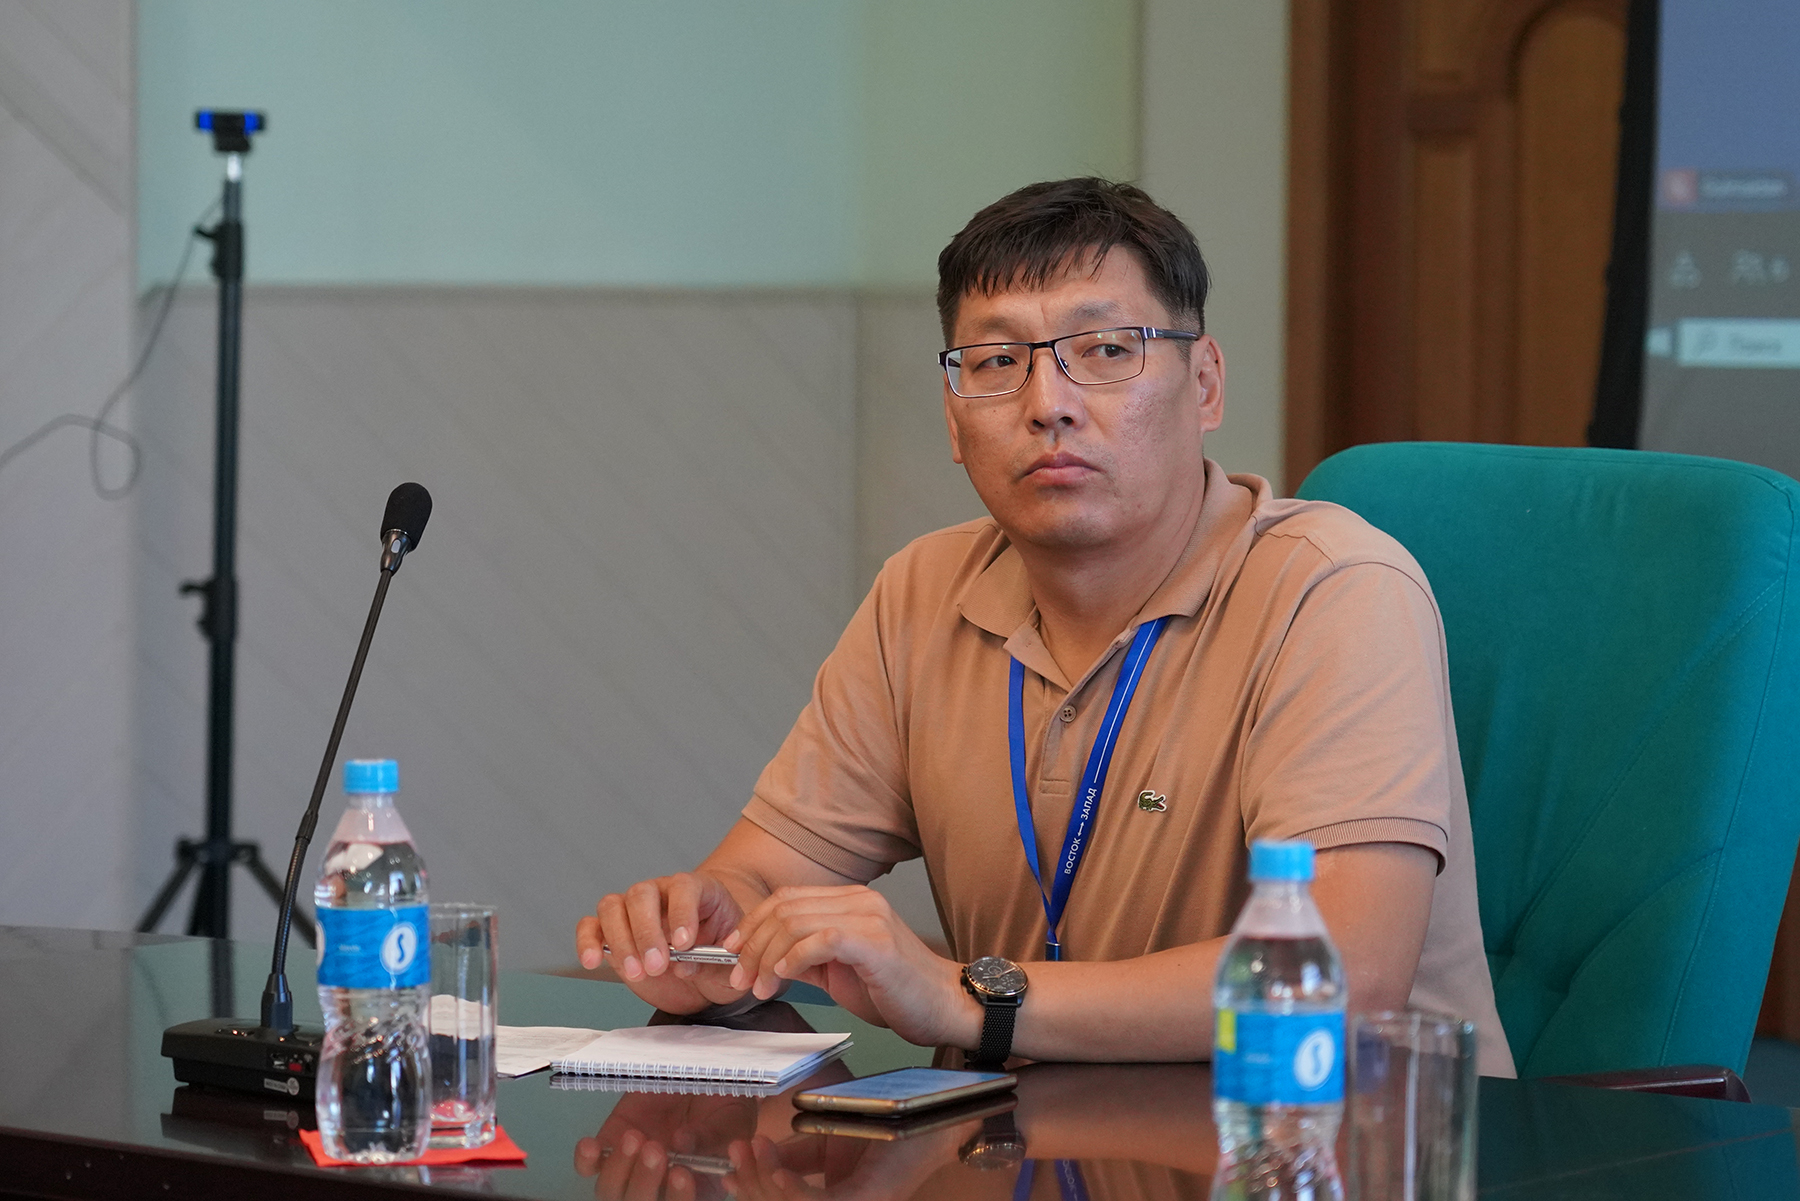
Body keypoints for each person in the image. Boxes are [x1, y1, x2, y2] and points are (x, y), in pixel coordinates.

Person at [575, 177, 1514, 1078]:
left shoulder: (1333, 590)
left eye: (1104, 350)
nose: (1048, 403)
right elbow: (759, 879)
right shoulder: (923, 592)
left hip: (1330, 1143)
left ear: (1205, 384)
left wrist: (970, 1000)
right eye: (996, 362)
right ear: (955, 419)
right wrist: (705, 933)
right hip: (1034, 1141)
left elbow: (1341, 977)